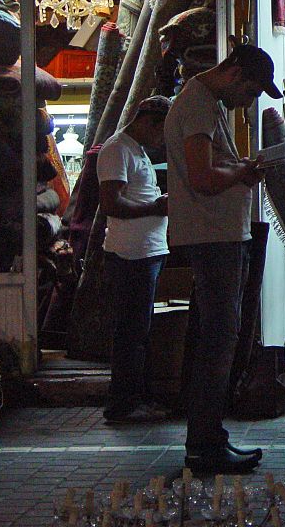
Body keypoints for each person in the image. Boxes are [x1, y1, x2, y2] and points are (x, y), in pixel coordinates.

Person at [165, 42, 282, 474]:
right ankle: (205, 443)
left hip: (218, 234)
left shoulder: (206, 102)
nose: (248, 102)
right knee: (218, 340)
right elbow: (203, 178)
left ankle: (209, 437)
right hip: (211, 236)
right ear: (235, 74)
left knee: (218, 338)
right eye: (251, 92)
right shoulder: (197, 105)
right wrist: (244, 171)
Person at [98, 95, 173, 424]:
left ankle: (137, 398)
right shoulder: (117, 150)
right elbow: (112, 204)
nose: (162, 141)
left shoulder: (136, 149)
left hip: (146, 251)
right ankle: (123, 404)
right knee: (130, 333)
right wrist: (155, 208)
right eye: (162, 132)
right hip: (130, 255)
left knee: (138, 332)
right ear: (149, 121)